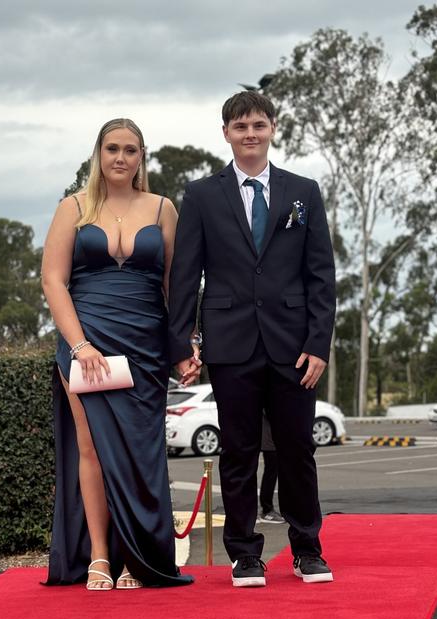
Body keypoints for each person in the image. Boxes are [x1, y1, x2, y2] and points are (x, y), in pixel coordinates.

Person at [169, 91, 336, 588]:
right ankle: (245, 555)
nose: (250, 134)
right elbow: (186, 274)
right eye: (240, 126)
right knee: (238, 451)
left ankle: (308, 549)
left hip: (293, 347)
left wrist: (319, 344)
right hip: (230, 343)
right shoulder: (201, 195)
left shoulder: (303, 192)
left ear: (273, 129)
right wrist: (182, 344)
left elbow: (321, 276)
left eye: (258, 125)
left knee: (296, 451)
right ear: (226, 133)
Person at [40, 118, 193, 590]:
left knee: (143, 453)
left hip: (145, 346)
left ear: (141, 156)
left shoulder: (163, 208)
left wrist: (184, 346)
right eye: (112, 149)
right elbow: (52, 280)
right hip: (87, 342)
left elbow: (176, 286)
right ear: (98, 154)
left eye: (130, 149)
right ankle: (100, 558)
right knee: (92, 448)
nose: (121, 158)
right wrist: (81, 344)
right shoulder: (74, 207)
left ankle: (137, 559)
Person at [258, 413, 284, 524]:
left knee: (274, 471)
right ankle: (267, 509)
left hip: (272, 434)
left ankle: (268, 508)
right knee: (271, 471)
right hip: (269, 435)